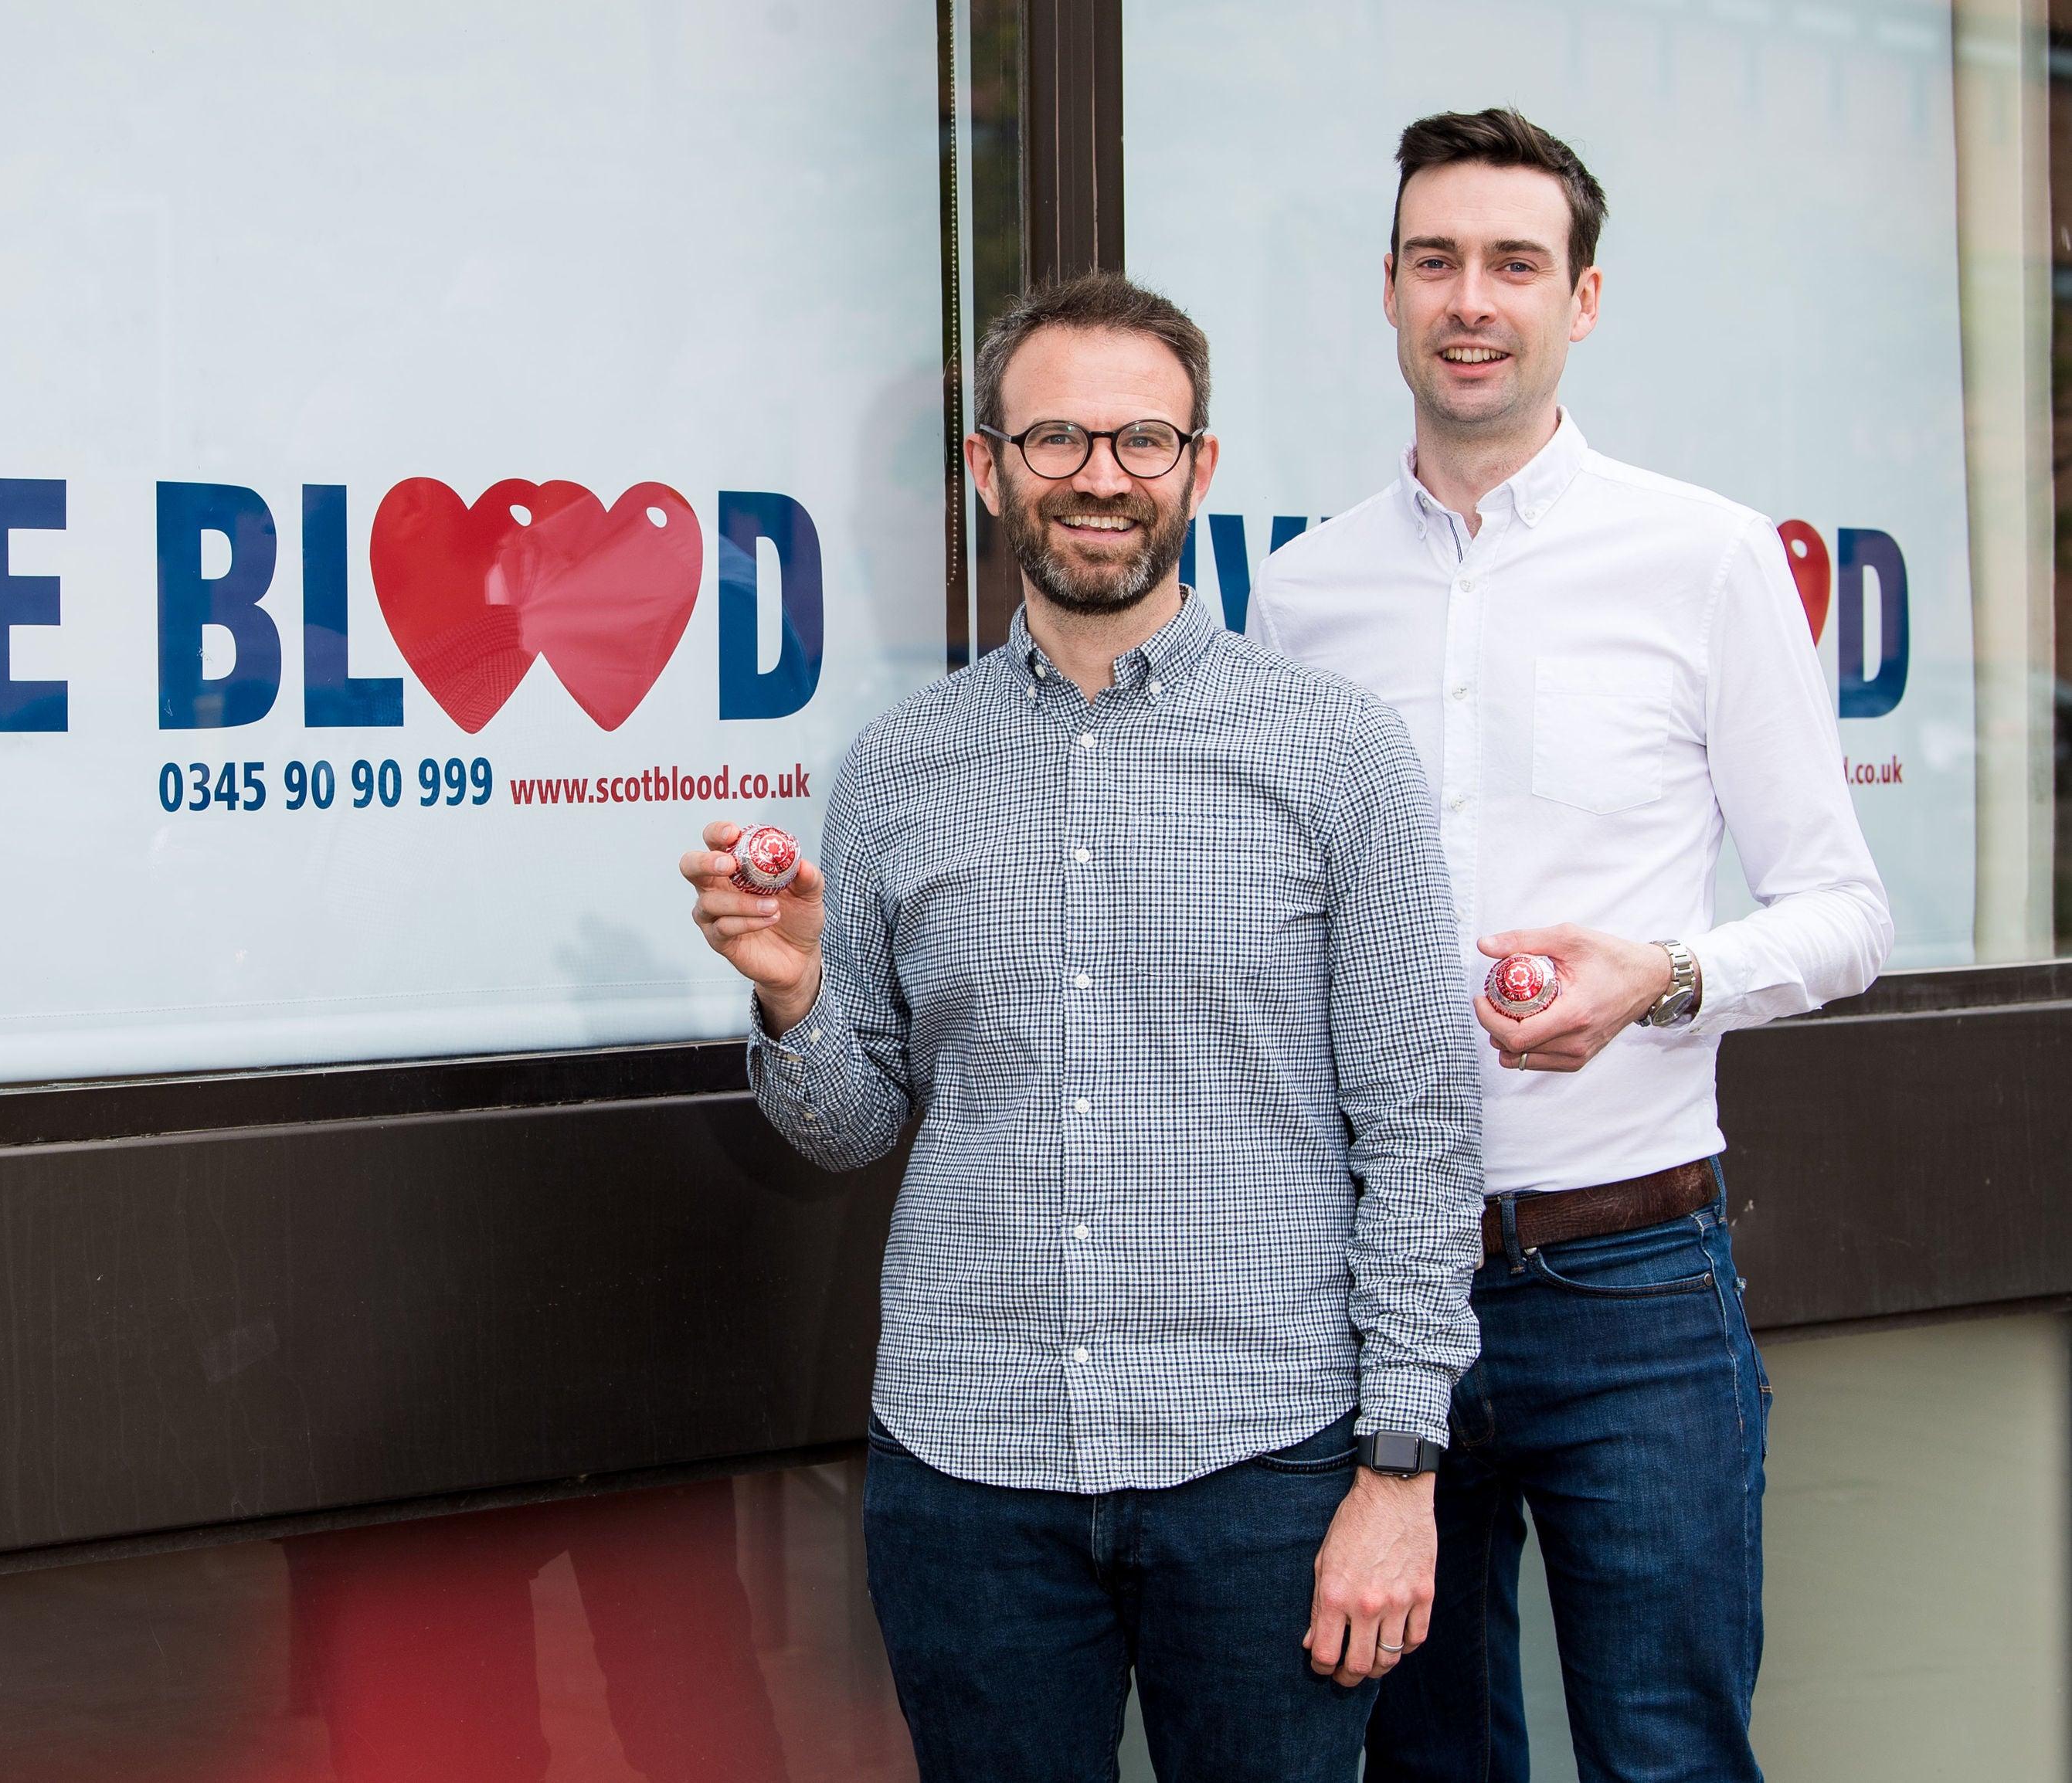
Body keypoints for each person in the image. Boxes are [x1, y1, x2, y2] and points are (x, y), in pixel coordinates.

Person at [681, 270, 1485, 1783]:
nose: (1099, 476)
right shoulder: (897, 769)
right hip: (970, 1476)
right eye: (1055, 438)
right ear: (988, 468)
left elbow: (1424, 1137)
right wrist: (791, 988)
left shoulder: (1335, 755)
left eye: (1141, 440)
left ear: (1200, 468)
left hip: (1267, 1466)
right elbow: (850, 1121)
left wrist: (1399, 1466)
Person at [1248, 110, 1894, 1782]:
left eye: (1514, 264)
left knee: (1667, 1753)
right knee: (1423, 1762)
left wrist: (1660, 976)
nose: (1474, 298)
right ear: (1386, 290)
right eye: (1438, 259)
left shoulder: (1704, 556)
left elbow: (1845, 909)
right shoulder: (1303, 596)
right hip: (1380, 1291)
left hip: (1636, 1285)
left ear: (1581, 299)